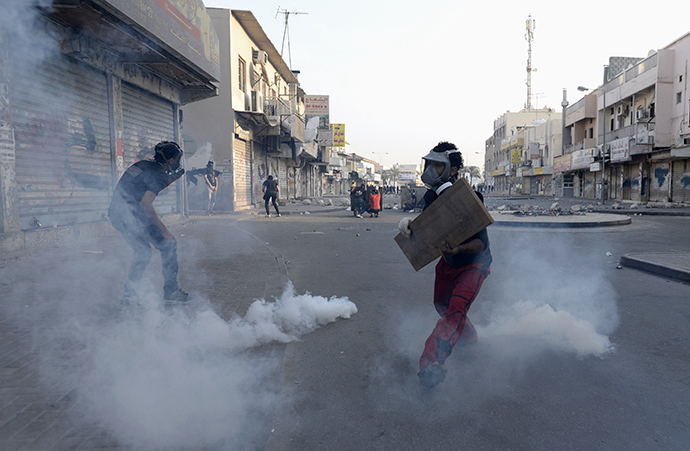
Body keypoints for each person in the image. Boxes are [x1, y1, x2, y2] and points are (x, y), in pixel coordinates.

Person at [399, 141, 492, 388]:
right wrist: (411, 226)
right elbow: (431, 228)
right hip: (448, 262)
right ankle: (469, 340)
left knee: (454, 312)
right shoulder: (431, 196)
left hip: (474, 264)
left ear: (452, 170)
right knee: (442, 305)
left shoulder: (471, 199)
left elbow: (480, 244)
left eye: (437, 165)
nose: (430, 169)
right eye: (428, 163)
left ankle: (432, 363)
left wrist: (460, 248)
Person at [109, 141, 189, 305]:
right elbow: (145, 204)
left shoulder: (144, 164)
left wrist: (171, 178)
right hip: (132, 215)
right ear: (172, 160)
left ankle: (129, 295)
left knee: (143, 252)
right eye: (177, 159)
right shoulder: (158, 173)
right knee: (169, 245)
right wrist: (164, 231)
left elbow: (146, 185)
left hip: (117, 214)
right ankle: (171, 291)